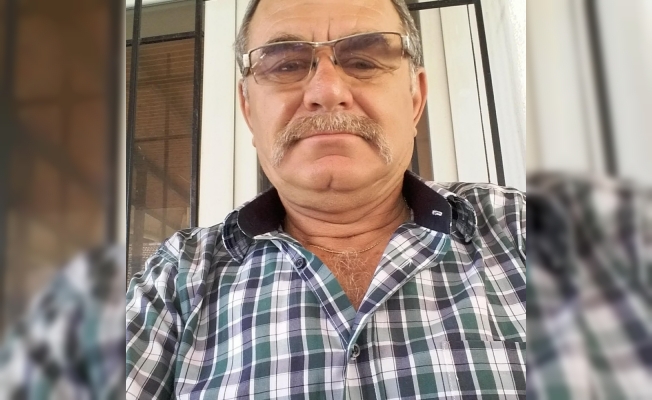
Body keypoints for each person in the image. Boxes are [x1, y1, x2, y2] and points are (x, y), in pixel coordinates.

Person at [126, 0, 526, 398]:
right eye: (286, 65)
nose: (327, 91)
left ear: (415, 99)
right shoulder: (176, 278)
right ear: (248, 110)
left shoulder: (525, 228)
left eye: (363, 62)